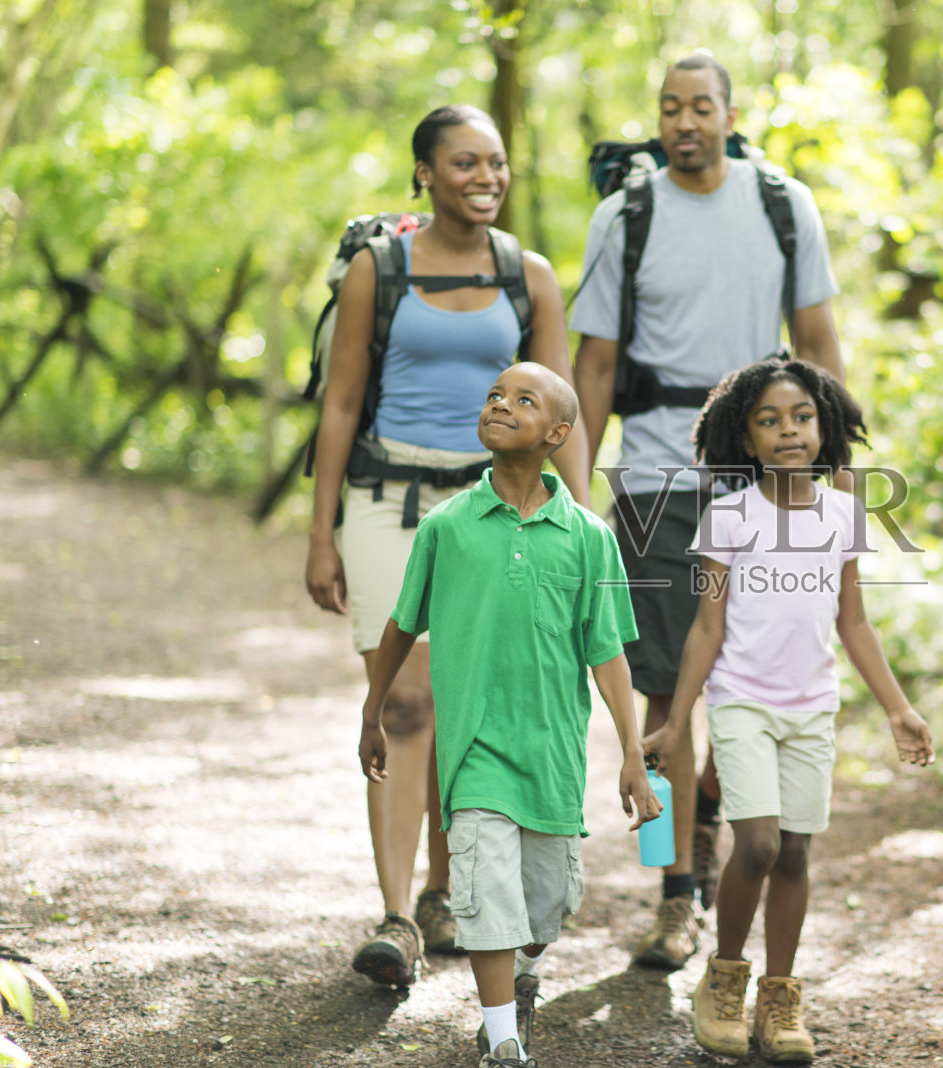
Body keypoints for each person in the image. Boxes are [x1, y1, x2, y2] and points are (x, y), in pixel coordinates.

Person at [571, 52, 847, 971]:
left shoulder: (783, 204)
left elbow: (816, 345)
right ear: (657, 121)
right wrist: (578, 490)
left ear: (730, 115)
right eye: (669, 108)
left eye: (701, 106)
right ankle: (670, 889)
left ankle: (707, 832)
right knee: (661, 692)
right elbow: (597, 366)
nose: (685, 121)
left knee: (749, 677)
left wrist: (834, 470)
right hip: (651, 478)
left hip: (762, 479)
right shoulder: (625, 217)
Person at [305, 103, 591, 987]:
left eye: (497, 163)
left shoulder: (528, 275)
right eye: (465, 163)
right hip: (386, 502)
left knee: (476, 702)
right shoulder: (376, 269)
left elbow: (563, 411)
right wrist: (321, 534)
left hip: (491, 512)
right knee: (407, 701)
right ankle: (396, 915)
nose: (487, 178)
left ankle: (444, 893)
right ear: (424, 173)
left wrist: (577, 527)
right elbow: (342, 403)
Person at [358, 362, 658, 1068]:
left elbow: (608, 652)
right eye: (495, 395)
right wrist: (373, 709)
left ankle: (524, 978)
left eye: (523, 399)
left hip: (552, 754)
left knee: (542, 905)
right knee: (486, 894)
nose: (500, 404)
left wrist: (633, 749)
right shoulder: (447, 526)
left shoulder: (591, 537)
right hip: (475, 753)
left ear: (558, 433)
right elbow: (402, 624)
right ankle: (503, 1042)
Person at [646, 357, 935, 1063]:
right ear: (744, 439)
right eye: (769, 421)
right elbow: (707, 629)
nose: (788, 431)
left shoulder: (843, 513)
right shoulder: (731, 515)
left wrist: (898, 708)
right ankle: (723, 983)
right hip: (742, 703)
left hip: (813, 708)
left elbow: (854, 623)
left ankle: (779, 998)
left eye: (801, 417)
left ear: (824, 425)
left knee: (797, 853)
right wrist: (678, 720)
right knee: (760, 845)